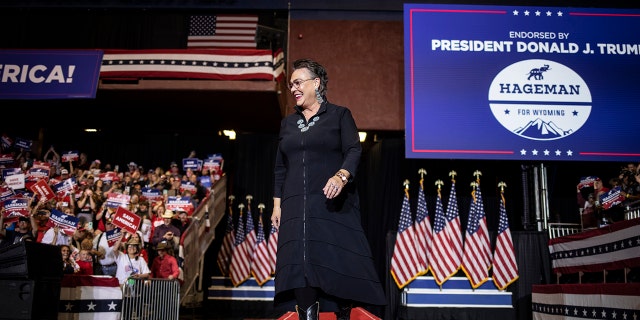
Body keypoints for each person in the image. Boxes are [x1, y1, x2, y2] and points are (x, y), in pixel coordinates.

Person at [270, 58, 386, 320]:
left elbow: (354, 150)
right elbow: (280, 167)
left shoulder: (339, 115)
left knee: (335, 266)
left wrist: (341, 176)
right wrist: (278, 206)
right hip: (295, 210)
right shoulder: (287, 124)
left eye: (298, 82)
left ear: (316, 83)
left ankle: (342, 314)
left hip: (331, 207)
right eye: (290, 85)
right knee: (300, 267)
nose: (293, 88)